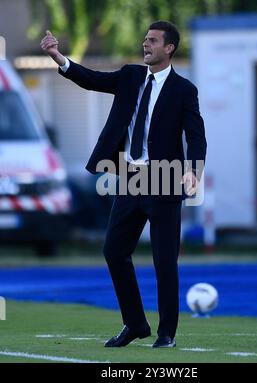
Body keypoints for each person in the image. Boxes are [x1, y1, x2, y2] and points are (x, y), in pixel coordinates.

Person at [41, 21, 206, 348]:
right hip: (130, 179)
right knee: (114, 251)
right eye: (145, 39)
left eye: (153, 41)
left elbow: (196, 135)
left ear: (169, 48)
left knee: (164, 260)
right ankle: (135, 324)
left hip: (164, 180)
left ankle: (166, 333)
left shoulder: (184, 90)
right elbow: (92, 80)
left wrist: (193, 171)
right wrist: (58, 56)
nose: (146, 45)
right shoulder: (130, 76)